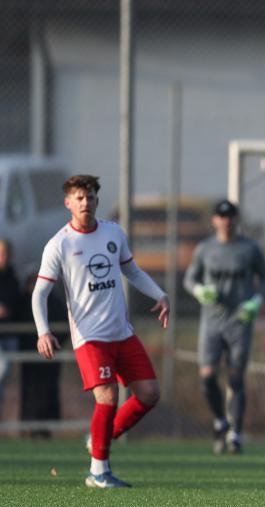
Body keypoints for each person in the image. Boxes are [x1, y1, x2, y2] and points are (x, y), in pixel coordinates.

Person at [32, 174, 170, 488]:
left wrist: (160, 294)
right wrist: (43, 331)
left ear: (97, 201)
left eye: (91, 197)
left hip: (122, 332)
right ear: (68, 203)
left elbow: (132, 270)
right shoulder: (59, 244)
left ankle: (97, 438)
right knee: (107, 396)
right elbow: (39, 293)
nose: (86, 203)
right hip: (90, 337)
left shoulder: (113, 233)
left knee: (149, 394)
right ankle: (98, 472)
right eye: (79, 198)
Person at [184, 200, 265, 454]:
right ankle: (220, 421)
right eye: (222, 216)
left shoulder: (249, 248)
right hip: (212, 321)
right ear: (214, 220)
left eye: (231, 216)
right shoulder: (205, 249)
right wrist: (199, 290)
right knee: (207, 376)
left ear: (236, 219)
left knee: (235, 377)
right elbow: (189, 279)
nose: (227, 221)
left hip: (240, 320)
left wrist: (256, 300)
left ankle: (236, 434)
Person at [19, 273, 68, 438]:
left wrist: (52, 343)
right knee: (30, 391)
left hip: (50, 357)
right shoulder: (24, 303)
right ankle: (29, 427)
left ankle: (46, 428)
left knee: (49, 391)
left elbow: (65, 325)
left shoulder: (55, 303)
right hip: (29, 356)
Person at [0, 239, 20, 418]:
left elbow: (16, 302)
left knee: (5, 375)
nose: (2, 257)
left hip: (9, 333)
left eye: (5, 253)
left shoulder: (13, 276)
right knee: (2, 368)